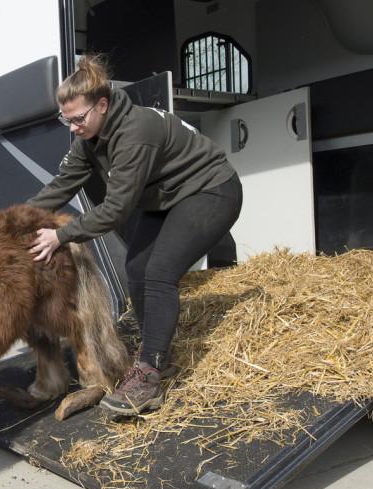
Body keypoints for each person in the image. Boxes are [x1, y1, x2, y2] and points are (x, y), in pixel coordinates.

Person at [27, 54, 242, 415]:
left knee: (159, 273)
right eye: (66, 119)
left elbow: (115, 210)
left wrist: (60, 237)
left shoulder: (135, 133)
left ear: (103, 105)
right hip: (168, 197)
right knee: (137, 269)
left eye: (78, 118)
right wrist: (19, 219)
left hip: (211, 190)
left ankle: (149, 375)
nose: (72, 127)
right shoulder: (89, 138)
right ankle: (157, 355)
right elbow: (62, 185)